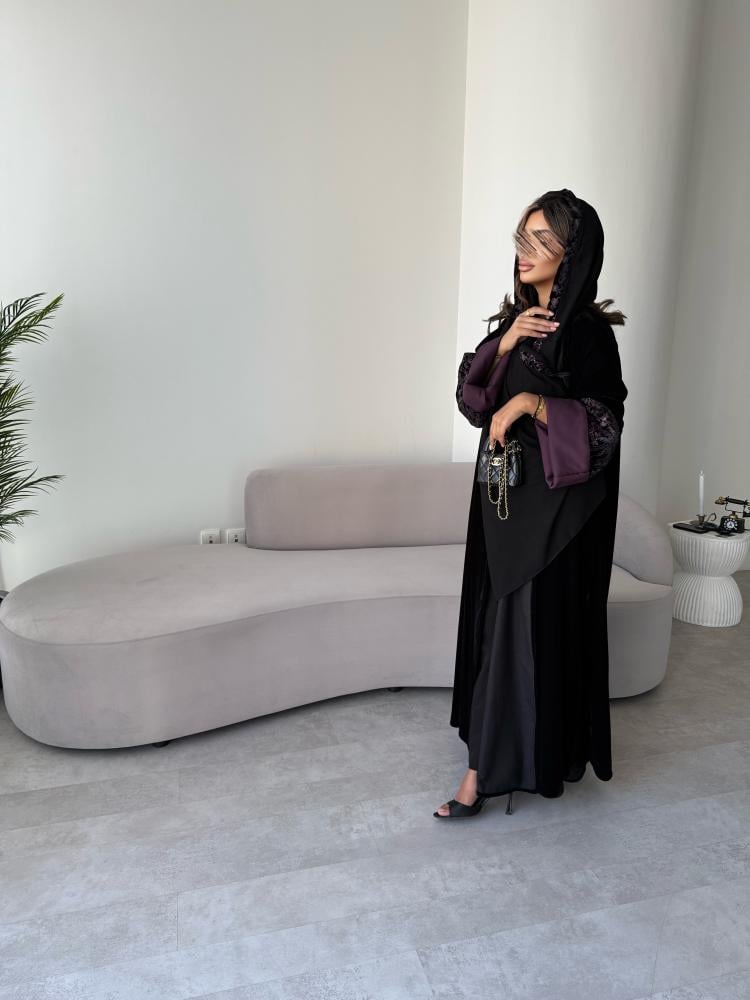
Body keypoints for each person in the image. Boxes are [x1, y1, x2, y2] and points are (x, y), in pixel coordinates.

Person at [435, 187, 628, 819]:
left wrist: (528, 402)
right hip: (502, 504)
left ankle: (485, 774)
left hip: (555, 517)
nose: (526, 251)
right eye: (523, 237)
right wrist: (506, 343)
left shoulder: (589, 336)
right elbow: (471, 403)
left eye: (542, 240)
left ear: (572, 253)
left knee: (527, 631)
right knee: (498, 627)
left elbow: (603, 428)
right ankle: (493, 759)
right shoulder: (514, 323)